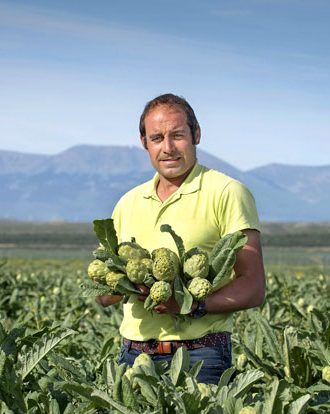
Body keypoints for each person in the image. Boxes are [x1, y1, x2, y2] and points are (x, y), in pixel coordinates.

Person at [96, 94, 265, 384]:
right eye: (157, 138)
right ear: (144, 143)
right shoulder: (127, 203)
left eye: (177, 135)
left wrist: (190, 304)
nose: (168, 148)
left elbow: (253, 287)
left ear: (196, 134)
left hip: (202, 358)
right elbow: (102, 294)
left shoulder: (227, 192)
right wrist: (127, 285)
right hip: (133, 357)